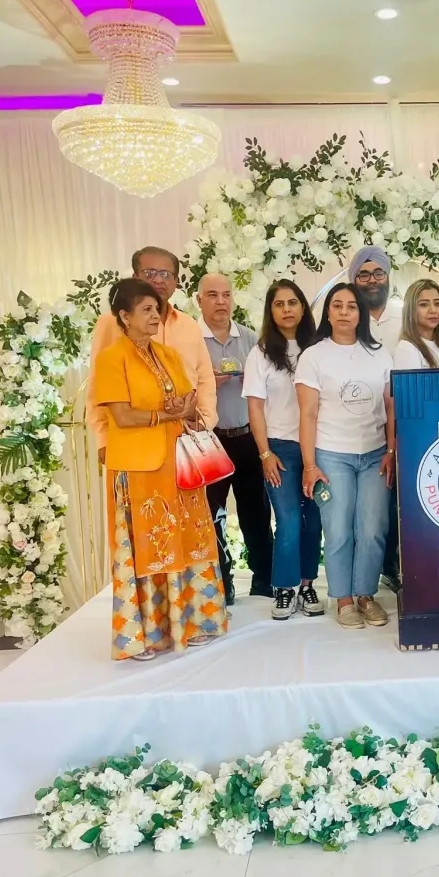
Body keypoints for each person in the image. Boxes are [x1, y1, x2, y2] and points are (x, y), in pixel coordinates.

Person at [92, 278, 227, 661]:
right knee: (149, 546)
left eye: (157, 309)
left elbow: (188, 398)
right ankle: (146, 633)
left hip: (178, 462)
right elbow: (121, 415)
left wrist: (185, 410)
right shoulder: (111, 358)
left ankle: (193, 622)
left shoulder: (167, 354)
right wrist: (164, 414)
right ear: (125, 316)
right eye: (147, 310)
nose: (156, 316)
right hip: (138, 468)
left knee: (188, 540)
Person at [296, 283, 395, 630]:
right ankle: (343, 599)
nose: (343, 312)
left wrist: (391, 450)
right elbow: (307, 414)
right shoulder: (313, 356)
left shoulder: (379, 354)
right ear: (327, 312)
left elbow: (391, 407)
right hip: (331, 454)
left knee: (373, 528)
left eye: (351, 306)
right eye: (337, 305)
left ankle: (365, 594)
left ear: (360, 313)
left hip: (374, 454)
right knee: (338, 530)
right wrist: (309, 465)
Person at [87, 247, 217, 463]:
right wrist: (102, 438)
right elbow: (96, 385)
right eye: (149, 273)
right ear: (135, 277)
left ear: (175, 282)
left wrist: (204, 422)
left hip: (185, 437)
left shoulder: (190, 325)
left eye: (166, 274)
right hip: (134, 441)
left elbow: (204, 379)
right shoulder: (112, 322)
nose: (158, 280)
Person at [243, 279, 323, 621]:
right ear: (270, 311)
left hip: (319, 448)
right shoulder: (260, 353)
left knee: (313, 522)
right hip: (280, 449)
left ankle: (307, 585)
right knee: (288, 521)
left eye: (293, 302)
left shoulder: (319, 348)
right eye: (279, 304)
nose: (287, 309)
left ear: (303, 307)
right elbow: (255, 408)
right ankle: (284, 588)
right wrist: (265, 454)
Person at [197, 274, 274, 606]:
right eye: (212, 295)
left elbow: (268, 388)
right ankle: (221, 582)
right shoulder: (192, 341)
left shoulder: (251, 339)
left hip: (247, 437)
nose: (220, 302)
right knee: (212, 514)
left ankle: (264, 580)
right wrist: (205, 384)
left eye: (226, 295)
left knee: (256, 512)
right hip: (209, 441)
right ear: (199, 301)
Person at [349, 245, 402, 592]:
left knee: (398, 501)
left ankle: (395, 567)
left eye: (378, 273)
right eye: (364, 274)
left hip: (405, 422)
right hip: (361, 428)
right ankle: (361, 574)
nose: (372, 280)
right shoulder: (348, 318)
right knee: (365, 506)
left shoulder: (404, 316)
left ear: (388, 277)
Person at [392, 278, 439, 369]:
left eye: (437, 304)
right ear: (410, 310)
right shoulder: (406, 349)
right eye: (424, 305)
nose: (433, 310)